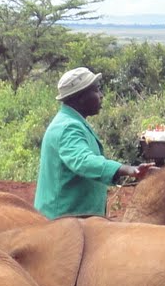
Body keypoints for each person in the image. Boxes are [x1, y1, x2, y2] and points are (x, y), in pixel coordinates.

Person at [33, 67, 150, 220]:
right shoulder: (68, 127)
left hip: (72, 220)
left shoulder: (71, 122)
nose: (101, 96)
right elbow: (83, 161)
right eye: (96, 91)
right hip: (62, 223)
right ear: (80, 97)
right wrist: (126, 169)